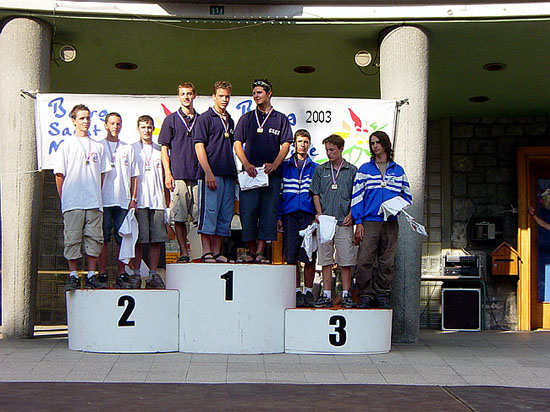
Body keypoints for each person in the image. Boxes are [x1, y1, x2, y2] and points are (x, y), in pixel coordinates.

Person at [234, 79, 293, 263]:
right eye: (254, 93)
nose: (256, 96)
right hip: (250, 174)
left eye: (259, 92)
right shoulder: (247, 118)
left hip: (271, 175)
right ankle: (251, 251)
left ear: (269, 93)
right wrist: (246, 164)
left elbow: (285, 144)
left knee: (268, 213)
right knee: (248, 211)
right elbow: (237, 143)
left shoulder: (280, 118)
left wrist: (275, 164)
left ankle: (260, 251)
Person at [351, 131, 412, 309]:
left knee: (387, 260)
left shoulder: (398, 170)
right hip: (369, 220)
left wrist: (395, 206)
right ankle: (366, 294)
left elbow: (407, 196)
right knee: (364, 259)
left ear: (386, 144)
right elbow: (357, 196)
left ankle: (382, 293)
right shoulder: (364, 169)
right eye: (372, 143)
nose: (375, 146)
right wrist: (359, 221)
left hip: (390, 221)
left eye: (378, 142)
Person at [54, 104, 111, 291]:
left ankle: (91, 275)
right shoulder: (66, 145)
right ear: (73, 121)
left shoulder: (98, 146)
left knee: (94, 238)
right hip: (73, 201)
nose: (85, 121)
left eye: (87, 118)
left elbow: (102, 174)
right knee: (72, 238)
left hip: (94, 201)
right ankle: (72, 275)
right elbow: (59, 175)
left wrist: (94, 192)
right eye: (81, 118)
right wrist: (65, 198)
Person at [309, 134, 357, 308]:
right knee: (325, 259)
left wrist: (351, 214)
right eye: (327, 150)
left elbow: (357, 195)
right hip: (326, 222)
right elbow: (315, 193)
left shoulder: (352, 170)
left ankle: (346, 294)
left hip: (344, 221)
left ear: (341, 149)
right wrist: (319, 214)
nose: (329, 153)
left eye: (332, 150)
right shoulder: (321, 170)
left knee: (346, 260)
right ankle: (326, 293)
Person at [193, 81, 237, 263]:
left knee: (225, 214)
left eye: (227, 96)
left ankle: (217, 252)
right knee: (209, 212)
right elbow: (199, 146)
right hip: (211, 174)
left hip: (228, 173)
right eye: (221, 96)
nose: (224, 99)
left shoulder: (230, 119)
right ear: (214, 96)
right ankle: (206, 251)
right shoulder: (205, 118)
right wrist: (208, 172)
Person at [159, 82, 200, 263]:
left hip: (199, 176)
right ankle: (184, 252)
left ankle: (200, 253)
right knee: (180, 217)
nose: (186, 97)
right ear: (178, 96)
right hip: (179, 175)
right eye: (183, 94)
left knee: (201, 218)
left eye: (189, 94)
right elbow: (164, 148)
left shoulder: (201, 119)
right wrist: (168, 173)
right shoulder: (171, 120)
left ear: (194, 95)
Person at [97, 113, 139, 288]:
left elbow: (134, 175)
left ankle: (121, 273)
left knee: (122, 238)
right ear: (106, 125)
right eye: (112, 123)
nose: (115, 126)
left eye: (118, 123)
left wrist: (133, 198)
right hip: (104, 200)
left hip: (123, 200)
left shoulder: (127, 148)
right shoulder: (98, 146)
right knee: (103, 238)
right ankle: (102, 273)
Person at [277, 129, 318, 307]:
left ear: (309, 144)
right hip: (289, 214)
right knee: (291, 255)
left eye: (306, 141)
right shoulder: (285, 166)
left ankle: (308, 291)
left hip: (309, 214)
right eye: (300, 141)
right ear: (294, 144)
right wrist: (278, 215)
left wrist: (318, 214)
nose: (303, 145)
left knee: (309, 254)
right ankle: (294, 292)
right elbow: (278, 193)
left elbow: (318, 194)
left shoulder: (316, 168)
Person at [132, 115, 169, 289]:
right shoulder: (132, 149)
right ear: (138, 129)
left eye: (149, 127)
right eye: (143, 127)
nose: (146, 130)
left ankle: (153, 274)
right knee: (139, 240)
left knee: (156, 240)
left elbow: (165, 176)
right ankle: (137, 274)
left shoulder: (160, 150)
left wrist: (167, 203)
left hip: (157, 200)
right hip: (139, 201)